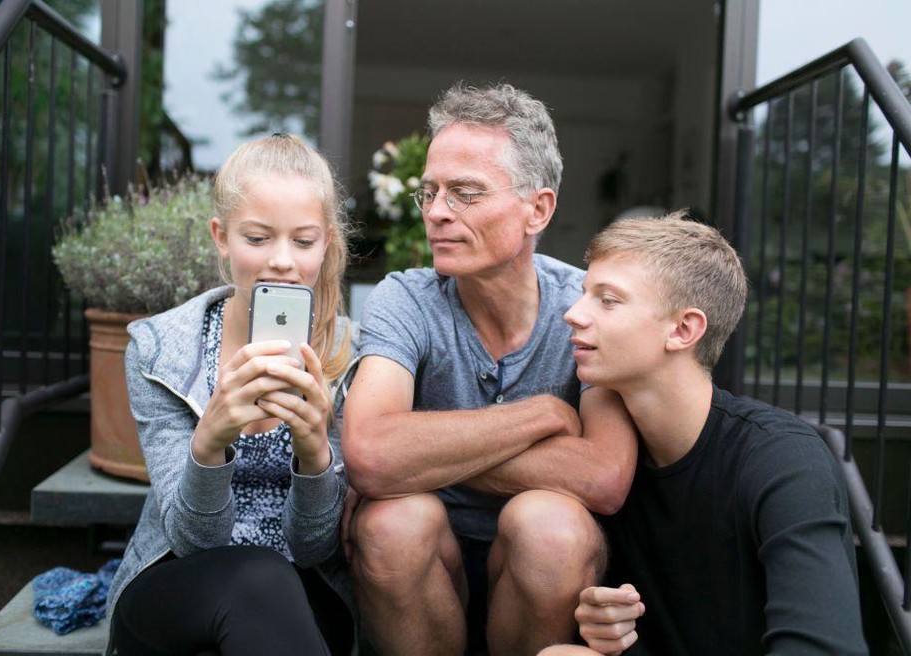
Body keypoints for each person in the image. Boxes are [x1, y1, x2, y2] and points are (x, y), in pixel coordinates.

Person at [342, 82, 639, 656]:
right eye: (429, 192)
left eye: (465, 193)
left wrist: (425, 453)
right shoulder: (405, 298)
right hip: (423, 564)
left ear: (538, 209)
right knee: (391, 523)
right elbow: (372, 454)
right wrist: (546, 414)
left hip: (546, 574)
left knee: (548, 524)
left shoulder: (583, 306)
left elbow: (603, 476)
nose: (435, 213)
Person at [540, 212, 867, 655]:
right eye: (584, 295)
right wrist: (609, 630)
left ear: (683, 330)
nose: (574, 314)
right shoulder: (610, 452)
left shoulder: (782, 461)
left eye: (609, 300)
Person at [105, 134, 357, 656]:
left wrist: (314, 454)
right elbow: (192, 540)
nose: (283, 261)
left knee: (272, 582)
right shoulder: (161, 352)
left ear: (327, 242)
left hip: (301, 591)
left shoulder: (351, 357)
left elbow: (316, 548)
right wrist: (209, 443)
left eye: (303, 241)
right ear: (222, 237)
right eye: (258, 238)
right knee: (258, 578)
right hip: (179, 583)